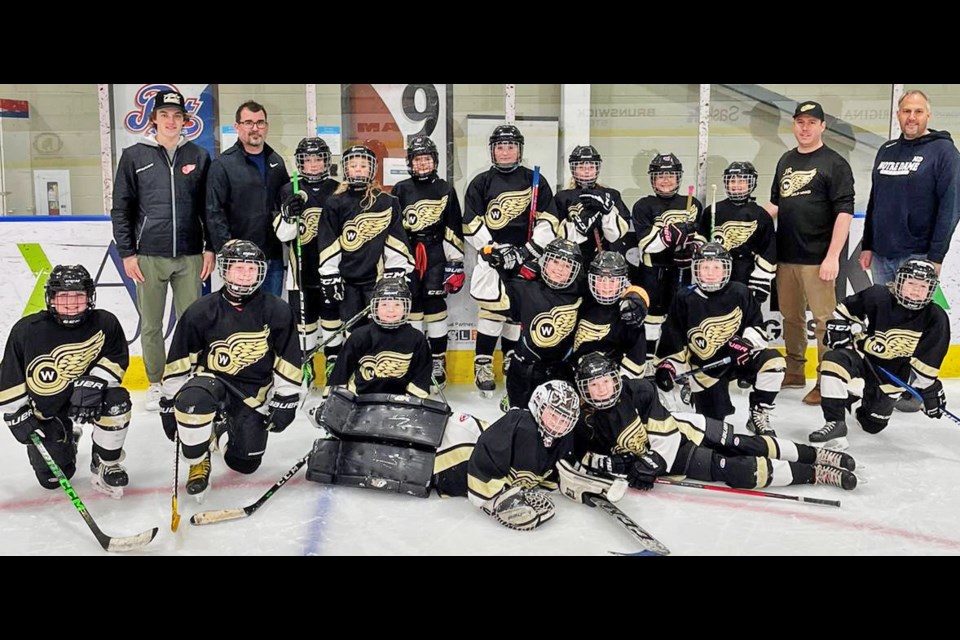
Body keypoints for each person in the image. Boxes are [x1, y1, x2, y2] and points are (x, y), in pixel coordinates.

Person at [306, 378, 626, 531]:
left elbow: (558, 472)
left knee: (391, 455)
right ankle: (332, 413)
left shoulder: (560, 439)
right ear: (539, 407)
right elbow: (484, 465)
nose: (557, 423)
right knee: (403, 432)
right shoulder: (521, 421)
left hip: (456, 456)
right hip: (458, 449)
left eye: (563, 418)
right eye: (552, 415)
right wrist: (500, 500)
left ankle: (327, 452)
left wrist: (589, 485)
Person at [574, 353, 857, 493]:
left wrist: (649, 463)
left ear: (615, 379)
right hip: (676, 460)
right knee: (736, 468)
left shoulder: (639, 390)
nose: (601, 390)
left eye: (605, 382)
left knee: (743, 443)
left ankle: (819, 454)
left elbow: (666, 436)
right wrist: (609, 465)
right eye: (593, 385)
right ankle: (816, 473)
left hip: (682, 432)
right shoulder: (585, 419)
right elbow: (581, 457)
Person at [158, 240, 302, 499]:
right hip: (210, 384)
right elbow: (180, 360)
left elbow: (288, 359)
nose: (246, 275)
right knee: (193, 402)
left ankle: (219, 432)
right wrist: (170, 402)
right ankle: (198, 460)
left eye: (251, 269)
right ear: (224, 270)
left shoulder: (277, 309)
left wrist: (286, 399)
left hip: (252, 393)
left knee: (245, 464)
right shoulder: (201, 310)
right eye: (239, 268)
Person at [111, 89, 223, 411]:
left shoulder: (199, 156)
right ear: (153, 120)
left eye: (177, 116)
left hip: (190, 255)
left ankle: (192, 377)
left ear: (185, 120)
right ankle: (156, 383)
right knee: (151, 324)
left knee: (193, 321)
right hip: (148, 256)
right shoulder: (134, 156)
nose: (171, 121)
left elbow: (208, 207)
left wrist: (210, 248)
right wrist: (127, 253)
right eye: (164, 115)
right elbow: (121, 209)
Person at [858, 90, 960, 412]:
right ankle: (885, 385)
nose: (911, 117)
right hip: (884, 254)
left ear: (928, 115)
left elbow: (951, 206)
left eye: (917, 111)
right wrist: (869, 243)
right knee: (886, 324)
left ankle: (914, 389)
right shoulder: (886, 150)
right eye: (905, 111)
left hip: (917, 256)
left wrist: (936, 256)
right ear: (898, 114)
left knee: (916, 327)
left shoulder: (944, 151)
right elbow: (876, 201)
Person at [1, 265, 134, 498]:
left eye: (78, 297)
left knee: (117, 401)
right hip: (48, 411)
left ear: (90, 297)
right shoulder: (27, 330)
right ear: (51, 299)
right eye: (63, 297)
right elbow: (10, 376)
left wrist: (93, 382)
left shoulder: (105, 322)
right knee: (52, 480)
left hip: (91, 402)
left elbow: (117, 358)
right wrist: (16, 414)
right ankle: (68, 441)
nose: (71, 304)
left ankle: (105, 461)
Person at [764, 100, 855, 406]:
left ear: (822, 126)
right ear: (794, 125)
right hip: (786, 257)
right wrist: (751, 218)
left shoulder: (835, 163)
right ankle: (794, 371)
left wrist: (832, 257)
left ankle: (826, 381)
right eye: (800, 122)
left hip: (818, 259)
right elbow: (776, 204)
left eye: (811, 123)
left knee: (823, 322)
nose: (805, 128)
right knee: (791, 318)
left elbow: (844, 213)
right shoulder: (786, 160)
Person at [810, 259, 950, 449]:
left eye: (923, 286)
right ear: (900, 281)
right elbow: (844, 313)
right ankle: (835, 422)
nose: (916, 290)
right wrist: (840, 329)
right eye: (911, 283)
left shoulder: (936, 317)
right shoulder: (879, 295)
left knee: (872, 425)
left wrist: (929, 390)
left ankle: (850, 400)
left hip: (894, 374)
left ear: (931, 289)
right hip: (865, 358)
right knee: (833, 361)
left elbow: (927, 364)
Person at [653, 243, 786, 437]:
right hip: (706, 368)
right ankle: (693, 389)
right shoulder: (684, 298)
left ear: (726, 269)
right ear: (696, 268)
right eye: (705, 267)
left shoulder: (740, 292)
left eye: (716, 267)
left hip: (738, 359)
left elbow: (757, 326)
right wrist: (669, 367)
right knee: (713, 429)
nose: (710, 273)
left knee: (773, 362)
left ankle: (759, 412)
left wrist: (746, 344)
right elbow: (672, 337)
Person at [464, 124, 558, 397]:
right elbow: (471, 221)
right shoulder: (481, 182)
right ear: (492, 150)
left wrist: (526, 250)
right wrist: (494, 249)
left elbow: (549, 220)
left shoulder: (534, 179)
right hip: (492, 257)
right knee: (492, 308)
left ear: (519, 150)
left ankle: (509, 357)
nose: (505, 151)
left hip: (526, 257)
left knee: (518, 311)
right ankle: (482, 362)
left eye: (511, 146)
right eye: (500, 146)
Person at [392, 134, 465, 389]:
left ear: (434, 161)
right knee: (410, 304)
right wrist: (396, 259)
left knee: (435, 304)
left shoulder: (445, 188)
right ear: (410, 162)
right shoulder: (400, 188)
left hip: (435, 251)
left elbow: (454, 225)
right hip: (409, 252)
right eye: (417, 159)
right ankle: (414, 359)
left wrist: (455, 262)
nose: (422, 164)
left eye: (426, 159)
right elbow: (394, 228)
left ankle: (437, 360)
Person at [315, 144, 415, 332]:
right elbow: (329, 241)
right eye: (353, 165)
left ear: (372, 168)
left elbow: (395, 239)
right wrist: (330, 274)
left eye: (363, 165)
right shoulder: (335, 202)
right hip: (347, 280)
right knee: (352, 330)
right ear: (346, 169)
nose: (358, 169)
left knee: (379, 327)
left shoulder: (387, 201)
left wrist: (396, 270)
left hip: (376, 280)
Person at [479, 238, 584, 411]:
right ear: (545, 261)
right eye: (555, 262)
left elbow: (611, 288)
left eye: (567, 266)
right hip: (524, 369)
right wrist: (491, 260)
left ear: (575, 270)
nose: (559, 269)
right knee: (520, 424)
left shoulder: (582, 292)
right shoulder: (525, 286)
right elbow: (488, 295)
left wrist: (637, 296)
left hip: (561, 370)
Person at [273, 137, 341, 383]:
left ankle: (334, 362)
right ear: (300, 163)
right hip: (299, 270)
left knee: (333, 319)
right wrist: (289, 216)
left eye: (318, 159)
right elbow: (282, 235)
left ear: (326, 161)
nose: (313, 164)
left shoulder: (338, 188)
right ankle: (307, 362)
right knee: (305, 322)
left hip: (332, 270)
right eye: (308, 159)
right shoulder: (288, 189)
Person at [630, 152, 706, 368]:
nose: (666, 180)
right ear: (652, 179)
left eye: (671, 175)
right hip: (651, 272)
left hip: (681, 270)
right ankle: (647, 361)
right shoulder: (643, 205)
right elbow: (646, 243)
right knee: (651, 317)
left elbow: (701, 239)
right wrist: (669, 235)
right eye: (660, 175)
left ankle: (673, 361)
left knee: (679, 315)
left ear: (679, 177)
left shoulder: (692, 205)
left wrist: (691, 248)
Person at [207, 100, 290, 297]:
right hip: (238, 261)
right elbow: (214, 211)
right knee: (240, 318)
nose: (255, 128)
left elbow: (284, 205)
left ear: (266, 126)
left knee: (271, 316)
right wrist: (228, 252)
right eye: (248, 123)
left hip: (272, 258)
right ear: (237, 126)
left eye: (260, 123)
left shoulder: (276, 162)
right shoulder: (223, 165)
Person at [324, 277, 432, 399]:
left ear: (406, 307)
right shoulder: (359, 336)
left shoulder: (417, 339)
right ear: (375, 307)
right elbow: (341, 371)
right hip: (361, 400)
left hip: (401, 402)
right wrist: (332, 400)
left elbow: (421, 376)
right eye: (384, 304)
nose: (390, 310)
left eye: (397, 304)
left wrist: (411, 402)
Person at [703, 161, 777, 304]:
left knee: (744, 312)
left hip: (745, 271)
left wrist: (761, 279)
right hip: (715, 270)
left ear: (752, 183)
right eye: (732, 180)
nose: (736, 185)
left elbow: (769, 250)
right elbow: (701, 239)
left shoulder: (760, 214)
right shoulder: (712, 211)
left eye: (742, 180)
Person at [572, 251, 650, 380]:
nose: (606, 287)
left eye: (613, 280)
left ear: (623, 282)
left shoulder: (629, 313)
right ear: (591, 278)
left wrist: (615, 384)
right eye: (600, 279)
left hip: (606, 381)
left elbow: (636, 362)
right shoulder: (582, 297)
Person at [553, 145, 630, 266]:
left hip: (604, 260)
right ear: (573, 169)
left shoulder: (611, 194)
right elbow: (557, 234)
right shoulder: (562, 197)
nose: (586, 171)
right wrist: (579, 227)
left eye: (591, 167)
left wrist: (607, 213)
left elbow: (616, 235)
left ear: (597, 169)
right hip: (570, 261)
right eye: (581, 167)